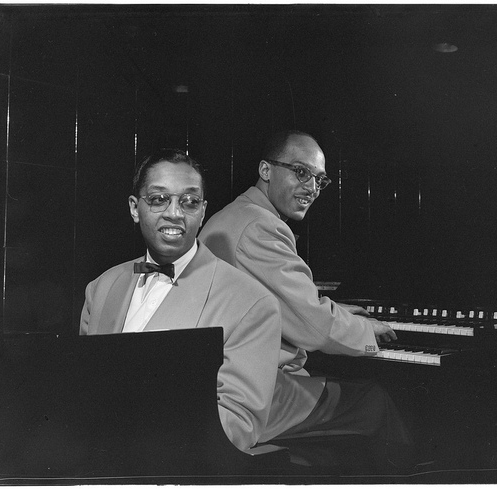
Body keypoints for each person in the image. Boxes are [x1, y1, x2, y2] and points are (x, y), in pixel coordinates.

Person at [199, 130, 411, 453]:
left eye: (320, 180)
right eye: (301, 172)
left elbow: (286, 302)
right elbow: (314, 325)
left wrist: (336, 310)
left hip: (221, 382)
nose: (311, 188)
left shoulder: (232, 216)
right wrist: (369, 335)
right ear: (266, 171)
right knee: (375, 401)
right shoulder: (260, 227)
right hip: (253, 395)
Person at [80, 149, 282, 452]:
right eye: (159, 199)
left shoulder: (252, 304)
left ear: (202, 212)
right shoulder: (101, 288)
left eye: (189, 201)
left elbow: (238, 424)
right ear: (135, 209)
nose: (175, 213)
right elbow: (82, 394)